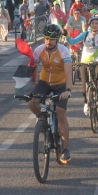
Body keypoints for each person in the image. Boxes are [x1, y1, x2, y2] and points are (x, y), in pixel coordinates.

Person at [28, 24, 73, 164]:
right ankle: (42, 120)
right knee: (31, 102)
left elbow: (68, 73)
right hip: (44, 82)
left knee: (60, 113)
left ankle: (65, 149)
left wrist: (68, 90)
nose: (48, 41)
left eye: (52, 39)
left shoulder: (64, 51)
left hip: (60, 84)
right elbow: (33, 66)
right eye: (46, 38)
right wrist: (31, 80)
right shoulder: (39, 50)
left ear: (57, 39)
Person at [65, 14, 98, 114]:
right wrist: (66, 35)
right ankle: (86, 102)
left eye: (96, 23)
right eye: (92, 23)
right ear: (89, 25)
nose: (94, 25)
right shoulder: (85, 34)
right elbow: (73, 42)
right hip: (85, 61)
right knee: (85, 83)